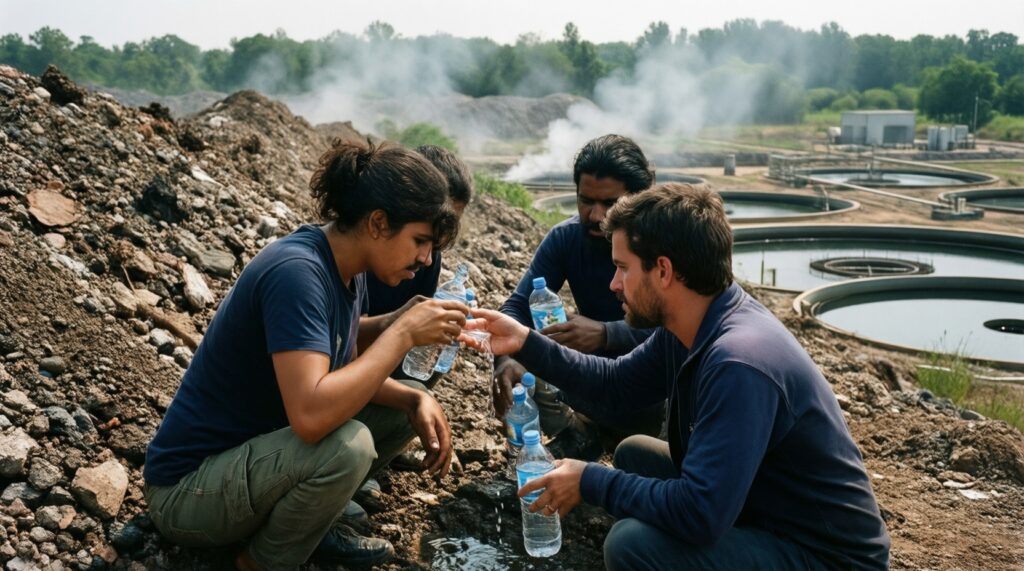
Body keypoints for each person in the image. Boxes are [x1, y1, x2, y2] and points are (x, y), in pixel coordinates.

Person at [466, 183, 891, 570]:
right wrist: (523, 341)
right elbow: (615, 384)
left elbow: (700, 514)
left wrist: (590, 479)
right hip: (765, 509)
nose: (614, 283)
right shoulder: (695, 323)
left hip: (826, 556)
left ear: (664, 271)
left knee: (632, 545)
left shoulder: (738, 363)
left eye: (623, 268)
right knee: (634, 455)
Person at [143, 139, 469, 571]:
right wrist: (404, 334)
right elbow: (312, 416)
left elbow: (347, 360)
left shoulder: (349, 268)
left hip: (251, 461)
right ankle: (262, 561)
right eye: (419, 241)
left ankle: (306, 521)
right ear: (377, 222)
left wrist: (414, 395)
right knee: (348, 447)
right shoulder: (297, 273)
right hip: (188, 494)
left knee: (404, 400)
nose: (426, 258)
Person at [494, 134, 663, 460]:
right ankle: (579, 432)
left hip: (651, 389)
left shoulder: (661, 248)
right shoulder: (566, 239)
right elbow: (517, 306)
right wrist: (508, 357)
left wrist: (606, 334)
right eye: (586, 201)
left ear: (638, 199)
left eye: (610, 204)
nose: (596, 215)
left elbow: (682, 330)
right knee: (515, 344)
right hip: (589, 378)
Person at [356, 144, 473, 357]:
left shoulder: (428, 255)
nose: (427, 258)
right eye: (421, 238)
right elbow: (348, 344)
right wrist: (402, 324)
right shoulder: (359, 251)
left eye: (450, 224)